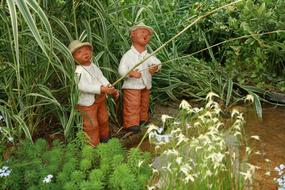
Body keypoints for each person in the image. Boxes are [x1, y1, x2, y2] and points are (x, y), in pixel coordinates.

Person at [68, 40, 119, 147]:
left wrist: (109, 87)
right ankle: (92, 144)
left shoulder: (93, 66)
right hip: (87, 104)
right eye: (79, 52)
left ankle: (105, 137)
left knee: (103, 119)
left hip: (100, 99)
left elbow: (101, 77)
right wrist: (101, 89)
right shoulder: (79, 72)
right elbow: (82, 87)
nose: (85, 53)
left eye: (87, 50)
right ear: (73, 58)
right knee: (91, 125)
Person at [118, 22, 161, 134]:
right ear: (133, 34)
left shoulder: (148, 56)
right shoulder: (128, 55)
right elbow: (121, 70)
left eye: (148, 34)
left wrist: (155, 68)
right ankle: (131, 123)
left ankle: (143, 119)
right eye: (142, 32)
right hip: (132, 87)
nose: (145, 35)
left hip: (145, 85)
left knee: (144, 103)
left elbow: (158, 63)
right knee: (132, 105)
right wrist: (130, 73)